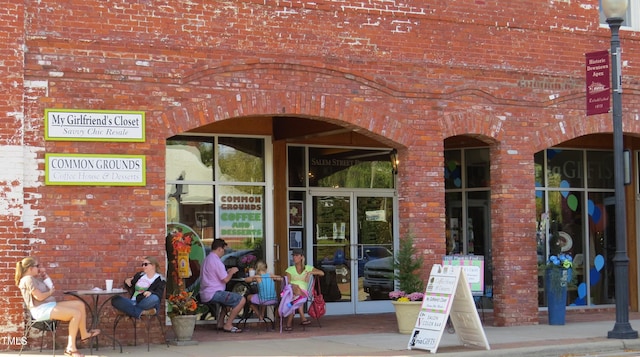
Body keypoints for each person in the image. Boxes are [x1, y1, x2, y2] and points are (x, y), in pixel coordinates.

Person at [15, 257, 100, 357]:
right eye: (37, 266)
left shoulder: (33, 278)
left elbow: (50, 286)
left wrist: (44, 275)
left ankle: (84, 334)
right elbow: (39, 297)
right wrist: (50, 293)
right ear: (30, 268)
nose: (39, 268)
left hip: (48, 305)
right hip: (40, 310)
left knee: (79, 305)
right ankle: (70, 348)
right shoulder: (28, 279)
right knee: (75, 314)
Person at [200, 239, 246, 333]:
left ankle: (220, 323)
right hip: (214, 293)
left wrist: (227, 272)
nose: (224, 252)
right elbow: (225, 279)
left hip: (205, 292)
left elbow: (216, 275)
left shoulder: (207, 259)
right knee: (242, 300)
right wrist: (232, 272)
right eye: (224, 250)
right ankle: (228, 324)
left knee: (227, 301)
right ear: (220, 249)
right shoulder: (216, 261)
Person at [284, 248, 324, 331]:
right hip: (292, 292)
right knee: (295, 292)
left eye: (296, 255)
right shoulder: (290, 269)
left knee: (295, 298)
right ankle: (302, 318)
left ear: (302, 257)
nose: (294, 257)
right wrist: (294, 285)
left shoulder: (308, 268)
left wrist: (310, 273)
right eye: (293, 256)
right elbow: (287, 282)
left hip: (302, 293)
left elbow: (321, 273)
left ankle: (289, 323)